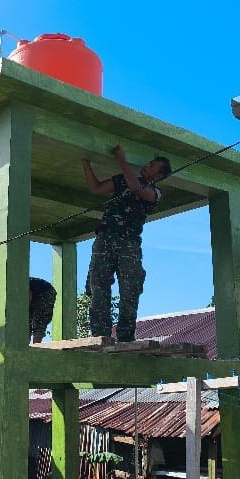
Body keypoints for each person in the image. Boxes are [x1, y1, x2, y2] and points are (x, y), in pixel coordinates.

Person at [82, 145, 171, 342]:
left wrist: (121, 159)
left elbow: (136, 188)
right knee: (98, 286)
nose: (147, 165)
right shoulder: (123, 180)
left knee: (130, 289)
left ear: (158, 176)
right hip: (104, 239)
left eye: (152, 166)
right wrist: (85, 162)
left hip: (128, 245)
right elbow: (96, 188)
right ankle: (100, 335)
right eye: (149, 162)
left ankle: (125, 337)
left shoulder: (155, 192)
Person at [0, 277, 57, 344]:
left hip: (44, 291)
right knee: (26, 323)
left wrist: (23, 313)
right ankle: (26, 347)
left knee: (38, 319)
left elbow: (28, 293)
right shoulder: (3, 292)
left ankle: (36, 347)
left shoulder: (9, 284)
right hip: (33, 296)